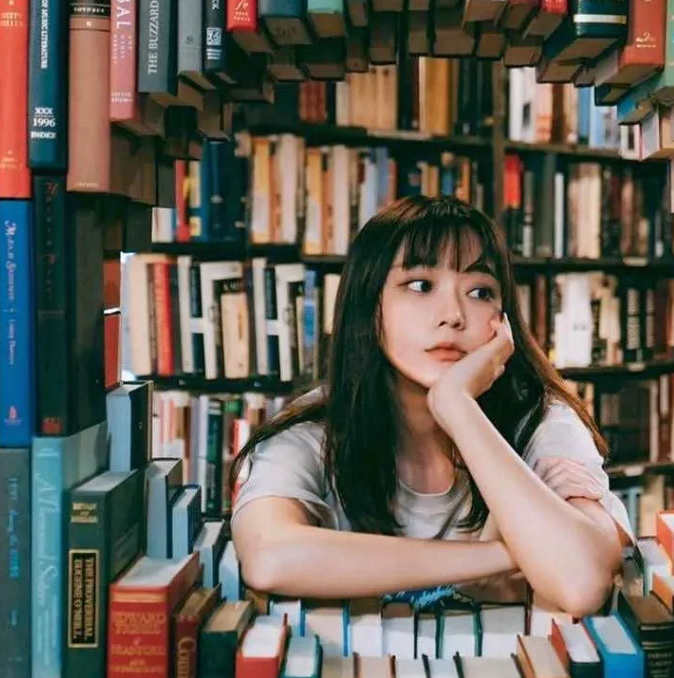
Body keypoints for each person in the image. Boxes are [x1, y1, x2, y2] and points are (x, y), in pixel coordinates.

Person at [229, 195, 634, 617]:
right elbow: (268, 556)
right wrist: (508, 557)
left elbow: (582, 581)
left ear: (504, 321)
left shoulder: (541, 420)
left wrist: (457, 406)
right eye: (421, 285)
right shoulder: (315, 429)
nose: (453, 315)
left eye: (480, 292)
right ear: (371, 306)